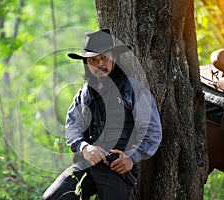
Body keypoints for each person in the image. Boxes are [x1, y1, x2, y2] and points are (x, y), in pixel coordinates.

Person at [42, 29, 162, 200]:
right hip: (87, 164)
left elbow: (152, 131)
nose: (100, 64)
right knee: (52, 198)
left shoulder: (132, 89)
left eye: (104, 58)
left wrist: (131, 158)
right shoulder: (84, 93)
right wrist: (84, 147)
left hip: (117, 169)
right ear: (86, 63)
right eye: (93, 60)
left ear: (114, 58)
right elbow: (72, 126)